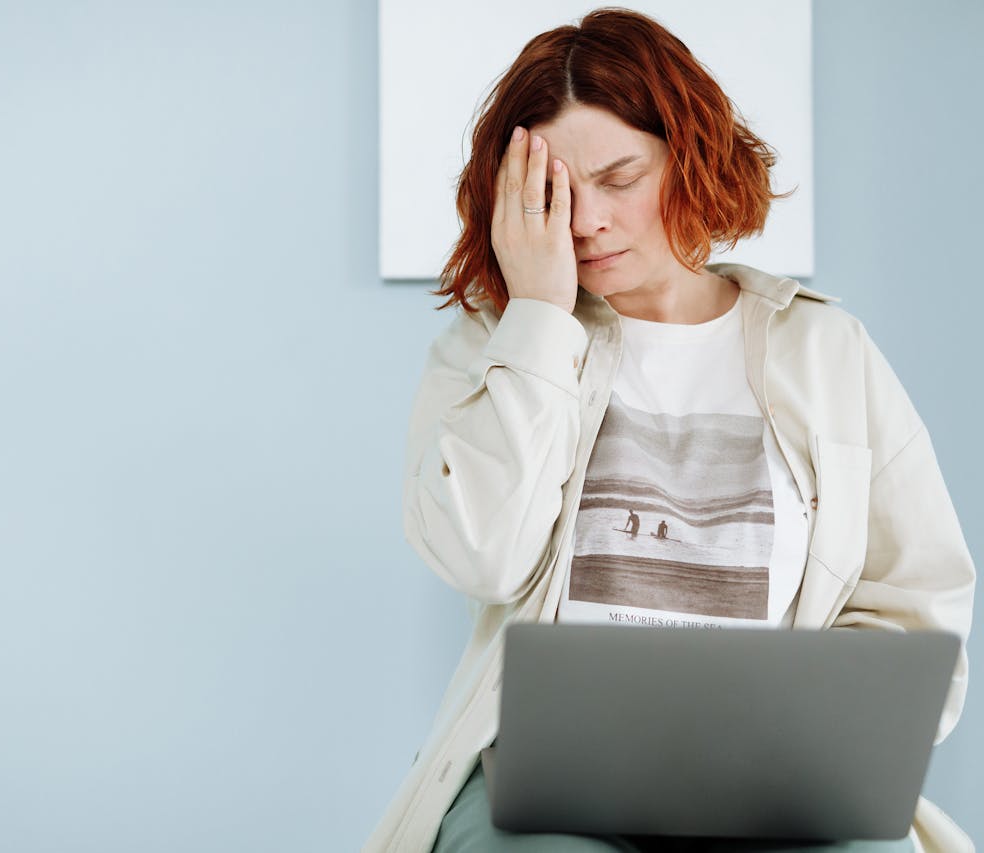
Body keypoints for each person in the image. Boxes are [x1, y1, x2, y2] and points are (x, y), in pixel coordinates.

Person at [363, 8, 975, 853]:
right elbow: (483, 557)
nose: (587, 221)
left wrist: (812, 731)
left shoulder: (827, 351)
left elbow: (916, 599)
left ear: (690, 156)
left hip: (775, 780)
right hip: (554, 794)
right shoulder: (491, 345)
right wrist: (538, 317)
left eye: (619, 178)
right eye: (554, 195)